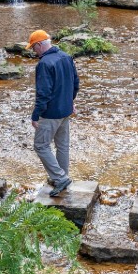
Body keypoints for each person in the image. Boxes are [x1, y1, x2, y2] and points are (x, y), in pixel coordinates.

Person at [27, 29, 79, 197]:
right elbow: (75, 83)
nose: (34, 52)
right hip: (65, 110)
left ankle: (59, 177)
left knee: (40, 146)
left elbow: (43, 93)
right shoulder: (66, 57)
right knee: (62, 146)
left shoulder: (44, 64)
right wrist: (70, 102)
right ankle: (61, 176)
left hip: (51, 114)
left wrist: (35, 115)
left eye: (34, 48)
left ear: (40, 45)